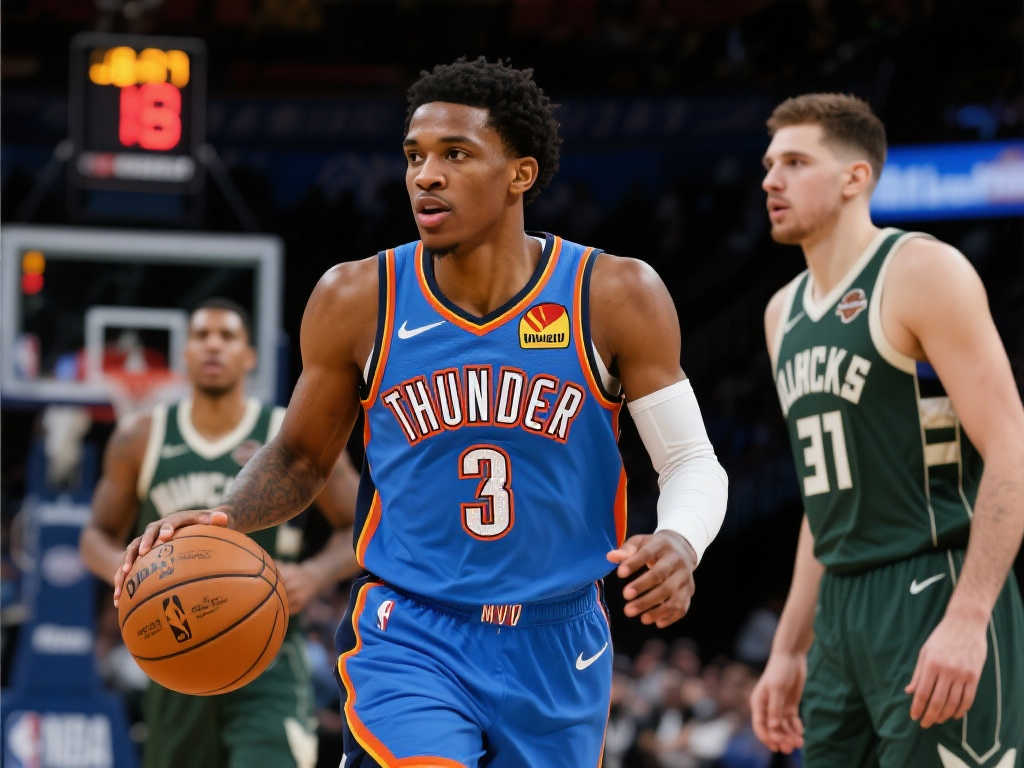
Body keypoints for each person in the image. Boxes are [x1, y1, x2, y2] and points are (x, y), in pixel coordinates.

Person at [115, 58, 729, 766]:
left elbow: (690, 461)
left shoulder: (613, 294)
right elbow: (302, 456)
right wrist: (224, 517)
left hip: (559, 641)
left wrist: (681, 540)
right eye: (414, 157)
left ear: (520, 174)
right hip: (410, 631)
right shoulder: (357, 298)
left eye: (454, 155)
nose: (425, 176)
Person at [749, 93, 1024, 767]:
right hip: (839, 608)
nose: (771, 181)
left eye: (795, 162)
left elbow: (1012, 447)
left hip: (932, 581)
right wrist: (789, 647)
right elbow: (826, 500)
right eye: (768, 165)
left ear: (855, 177)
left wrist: (969, 616)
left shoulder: (922, 271)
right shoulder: (782, 312)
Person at [81, 298, 361, 768]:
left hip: (269, 651)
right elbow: (95, 536)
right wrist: (133, 575)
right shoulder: (141, 437)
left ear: (250, 356)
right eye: (201, 336)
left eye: (227, 336)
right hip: (174, 654)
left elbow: (362, 524)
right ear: (185, 353)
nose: (213, 345)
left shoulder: (288, 438)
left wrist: (314, 574)